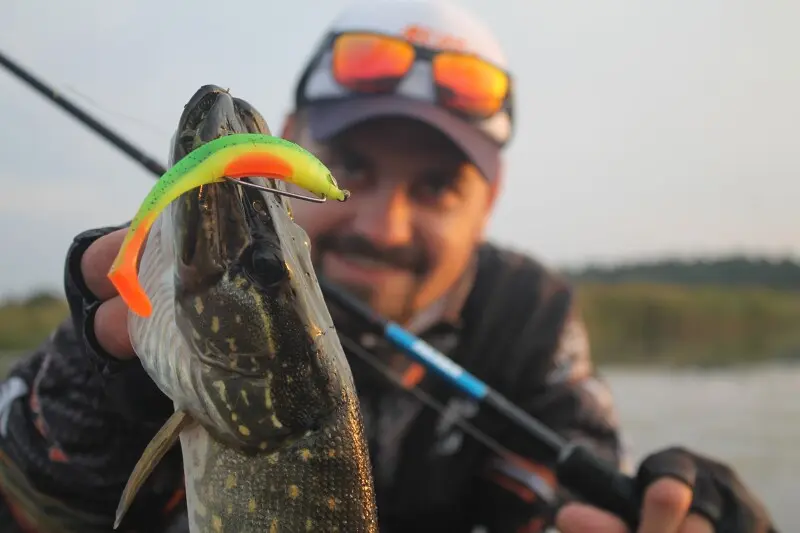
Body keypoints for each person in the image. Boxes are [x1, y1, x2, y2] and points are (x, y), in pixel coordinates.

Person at [0, 1, 776, 532]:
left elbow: (559, 498)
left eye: (437, 186)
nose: (382, 224)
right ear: (291, 145)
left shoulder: (524, 321)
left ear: (489, 201)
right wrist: (94, 391)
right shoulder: (153, 337)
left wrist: (686, 509)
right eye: (348, 168)